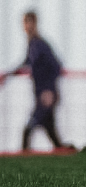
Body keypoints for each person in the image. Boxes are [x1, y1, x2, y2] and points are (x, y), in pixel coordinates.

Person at [9, 11, 71, 152]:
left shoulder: (40, 44)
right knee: (52, 133)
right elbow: (25, 63)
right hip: (40, 95)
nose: (26, 26)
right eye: (24, 23)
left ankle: (23, 160)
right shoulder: (32, 45)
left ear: (34, 23)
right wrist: (8, 75)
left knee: (29, 128)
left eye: (28, 22)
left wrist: (49, 90)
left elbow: (56, 66)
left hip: (46, 95)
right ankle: (67, 152)